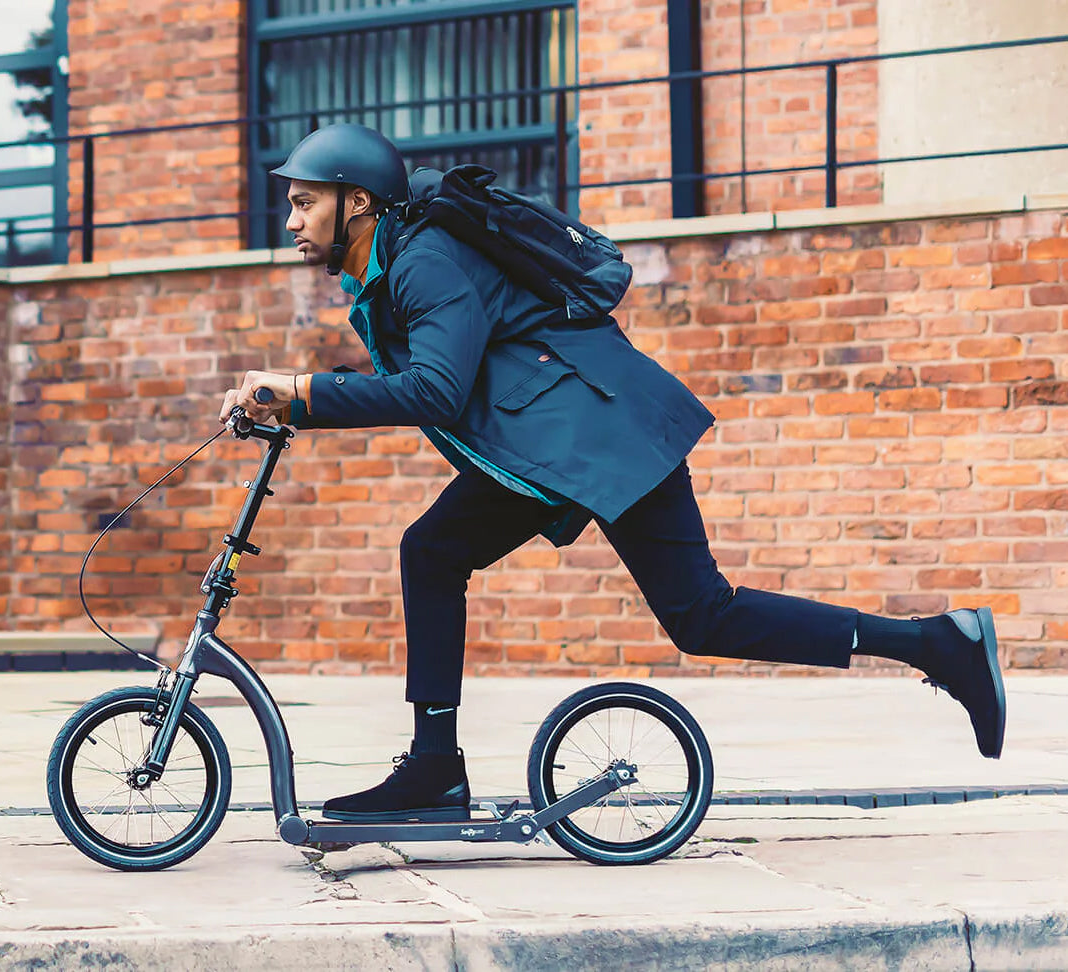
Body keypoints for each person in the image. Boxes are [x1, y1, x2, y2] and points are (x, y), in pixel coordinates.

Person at [220, 123, 1007, 823]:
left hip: (603, 435)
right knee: (433, 552)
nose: (290, 221)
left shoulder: (425, 261)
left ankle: (938, 644)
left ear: (355, 203)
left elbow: (437, 390)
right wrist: (288, 397)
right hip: (556, 447)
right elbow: (437, 369)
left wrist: (299, 393)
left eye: (303, 204)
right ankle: (433, 766)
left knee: (703, 616)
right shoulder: (397, 263)